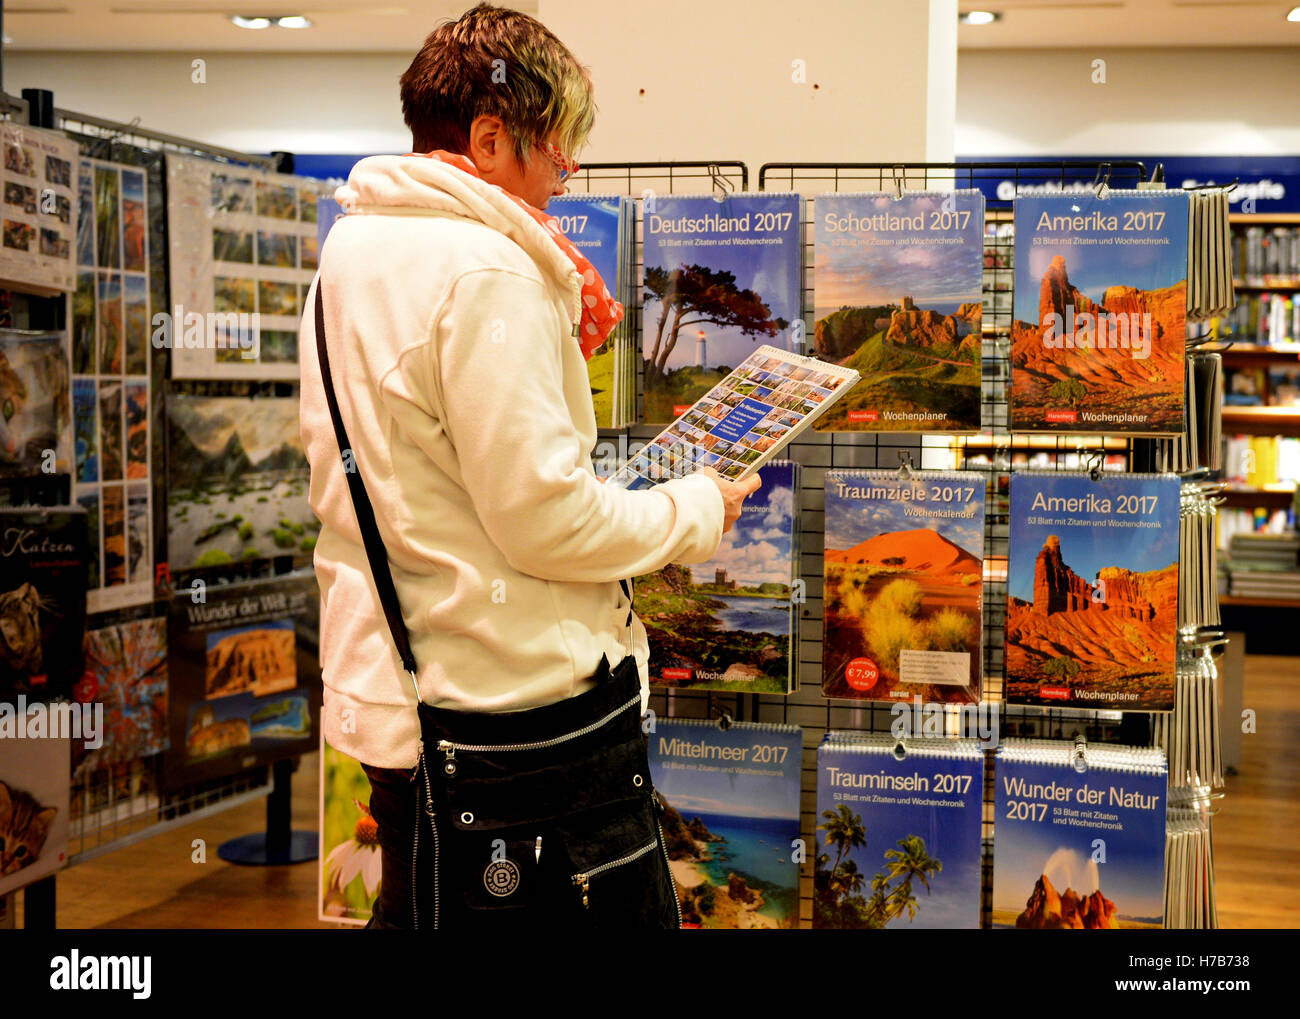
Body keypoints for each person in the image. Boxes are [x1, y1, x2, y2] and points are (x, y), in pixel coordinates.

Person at [299, 3, 760, 929]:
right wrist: (696, 508)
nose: (568, 173)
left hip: (404, 700)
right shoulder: (487, 269)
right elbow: (545, 519)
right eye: (557, 149)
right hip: (511, 728)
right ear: (489, 135)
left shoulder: (350, 253)